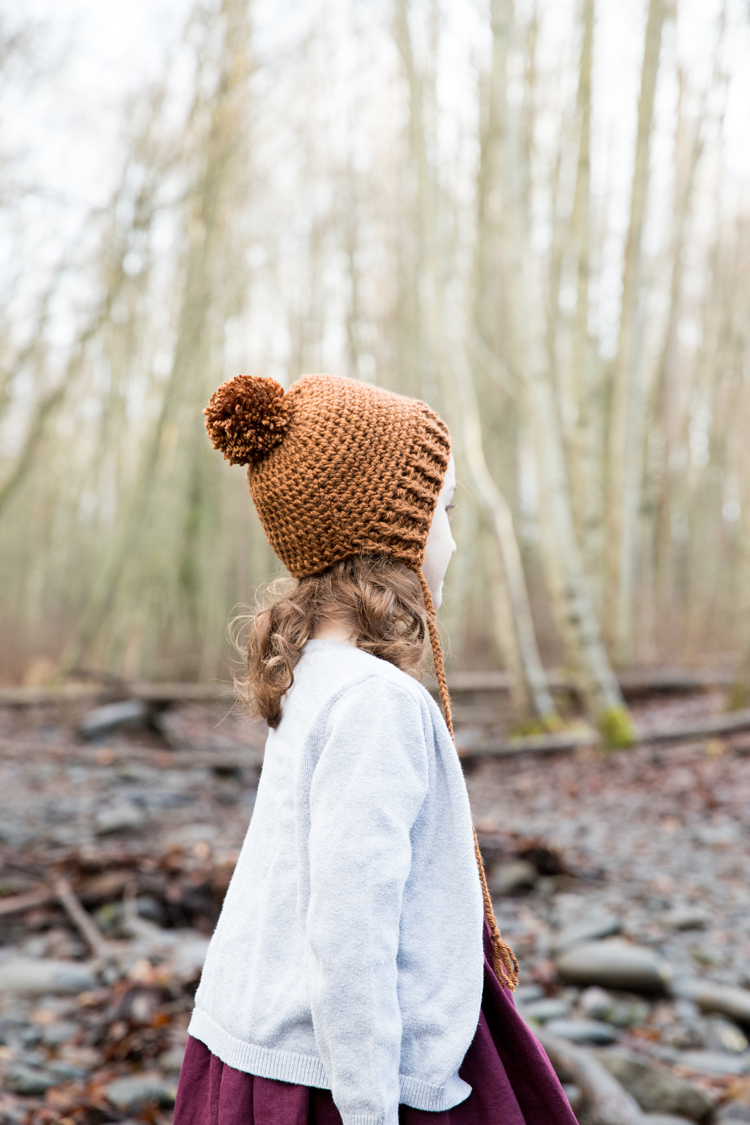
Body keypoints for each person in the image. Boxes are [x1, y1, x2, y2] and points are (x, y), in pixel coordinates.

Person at [174, 372, 576, 1125]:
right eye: (443, 512)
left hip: (258, 1044)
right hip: (345, 1080)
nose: (452, 539)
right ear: (392, 535)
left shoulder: (313, 677)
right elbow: (351, 930)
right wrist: (368, 1108)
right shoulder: (375, 703)